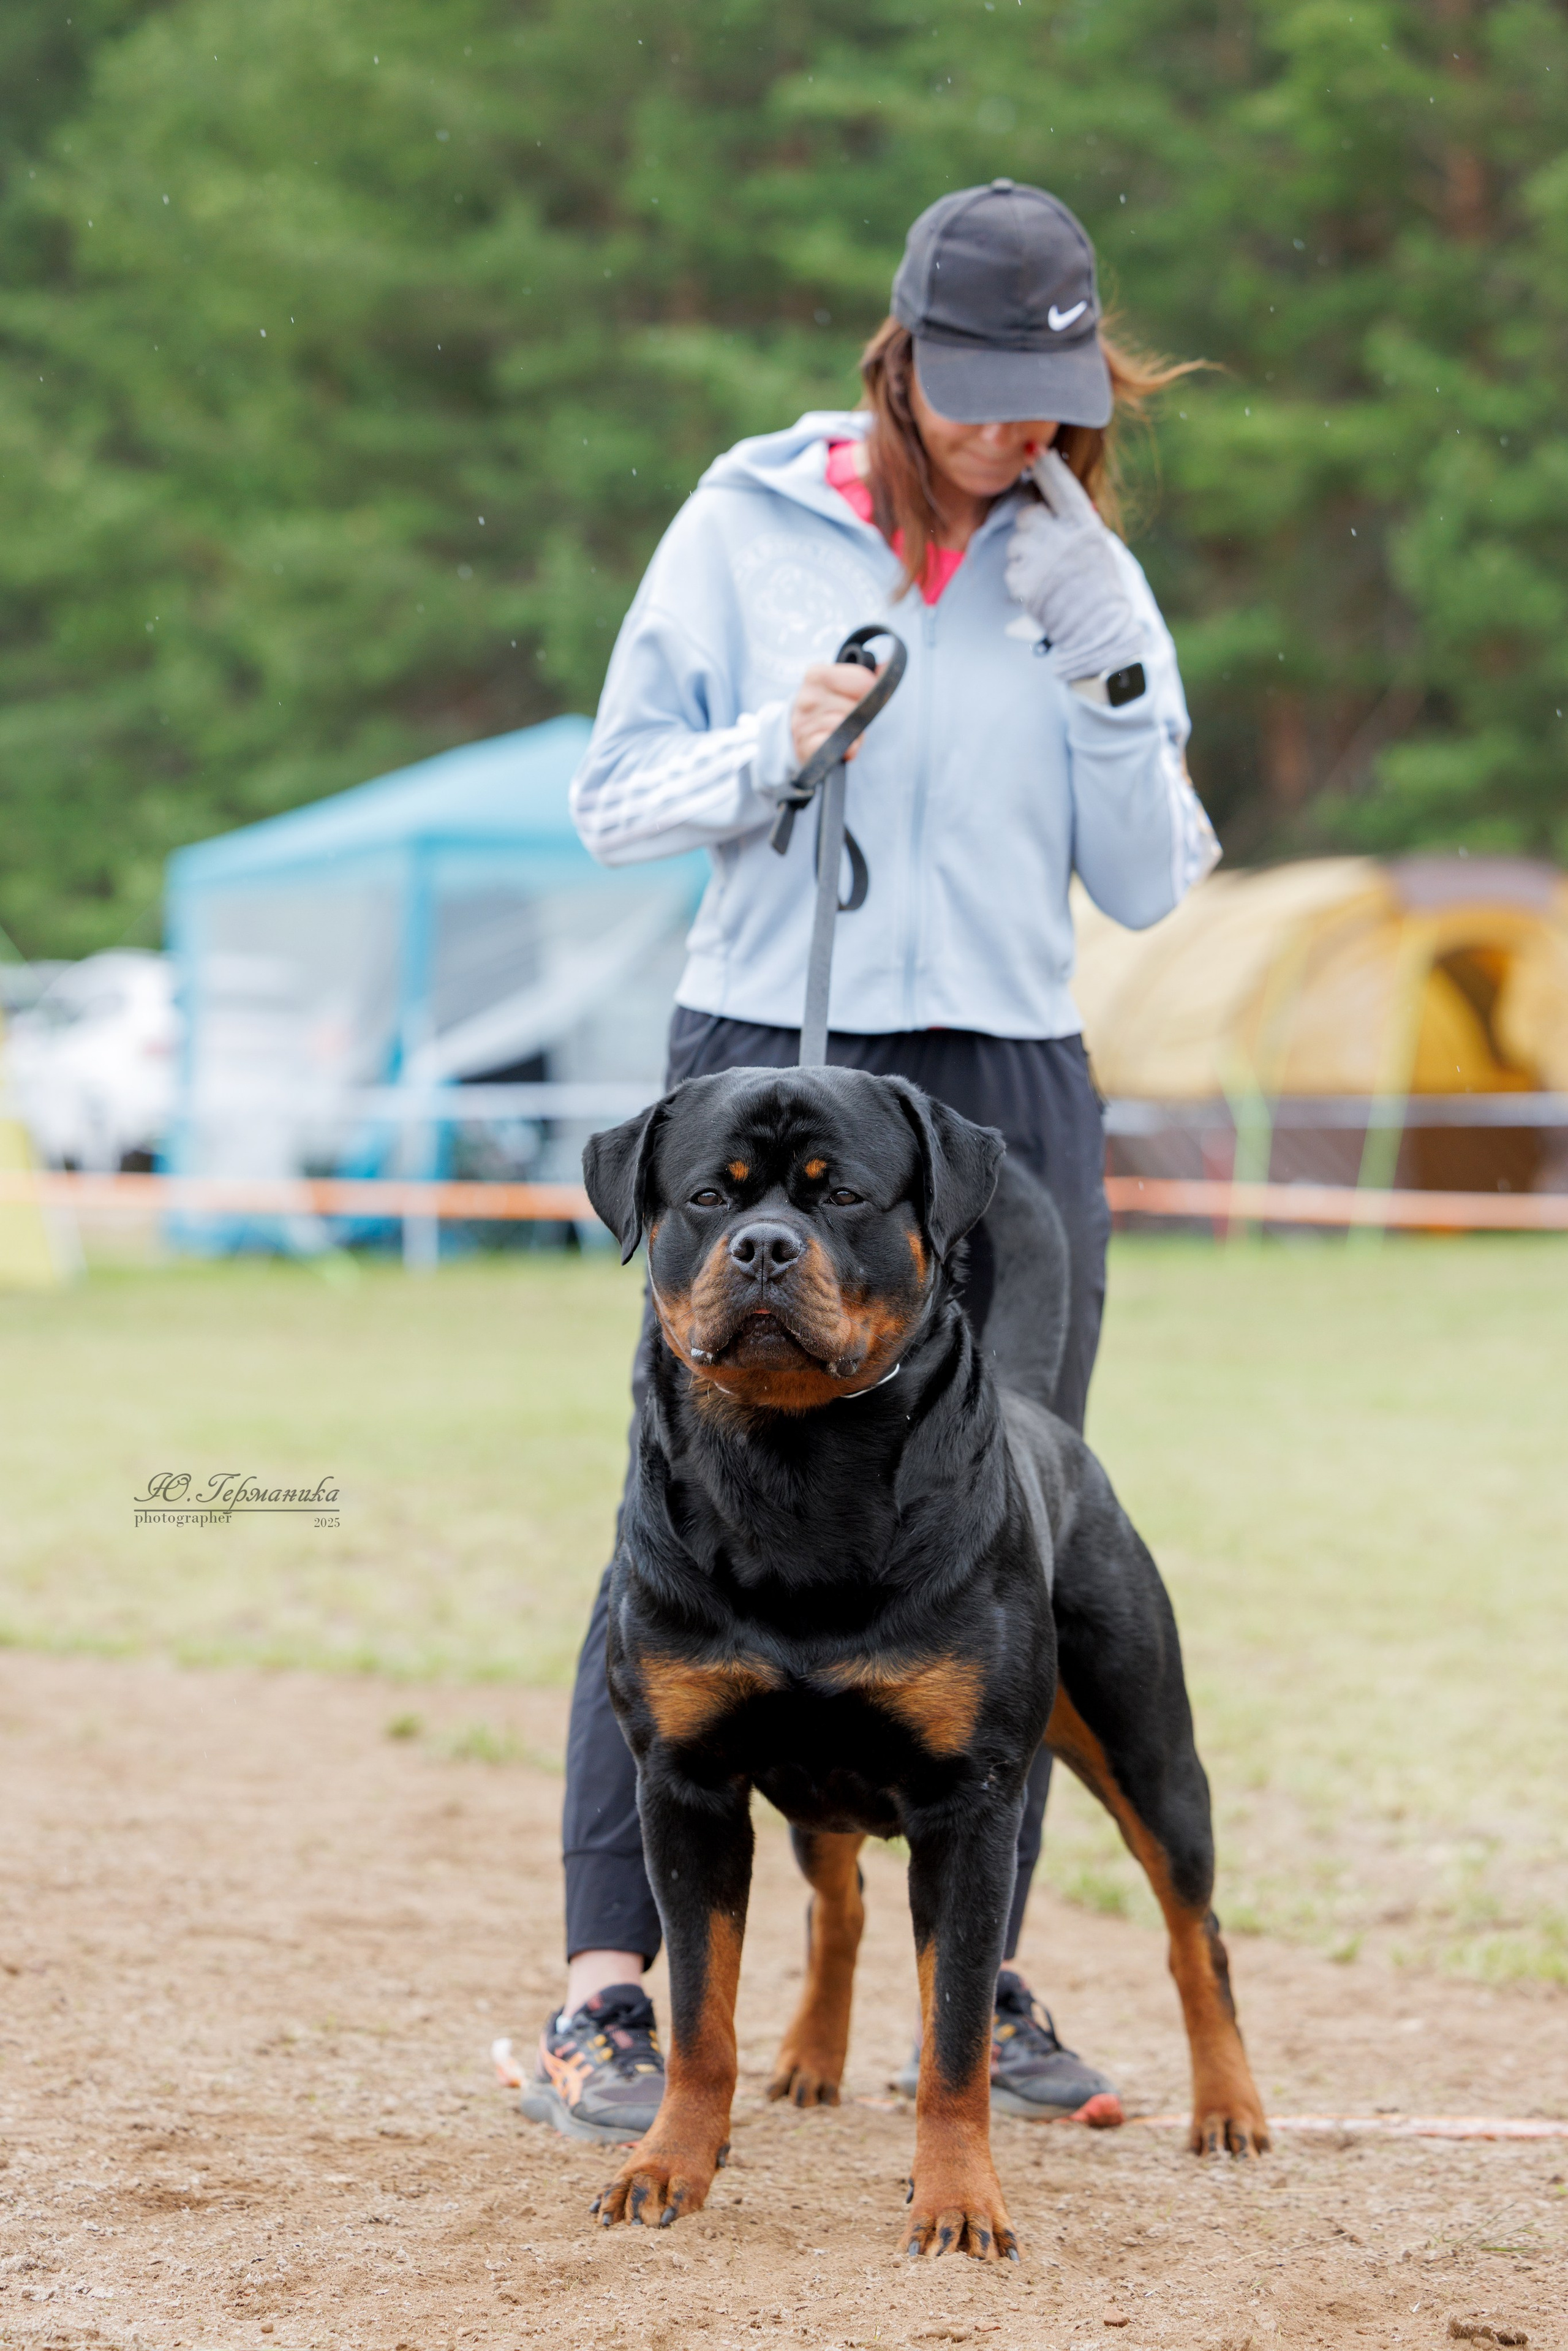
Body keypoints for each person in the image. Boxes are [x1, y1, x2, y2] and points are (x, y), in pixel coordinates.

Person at [520, 179, 1218, 2146]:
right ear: (901, 363)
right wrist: (766, 745)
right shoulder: (746, 522)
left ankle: (969, 1979)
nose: (1022, 434)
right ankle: (609, 1997)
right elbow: (611, 798)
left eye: (1056, 397)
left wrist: (1105, 669)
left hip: (998, 1088)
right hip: (764, 1069)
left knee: (1004, 1549)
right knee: (682, 1533)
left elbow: (1157, 882)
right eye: (988, 392)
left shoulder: (1084, 569)